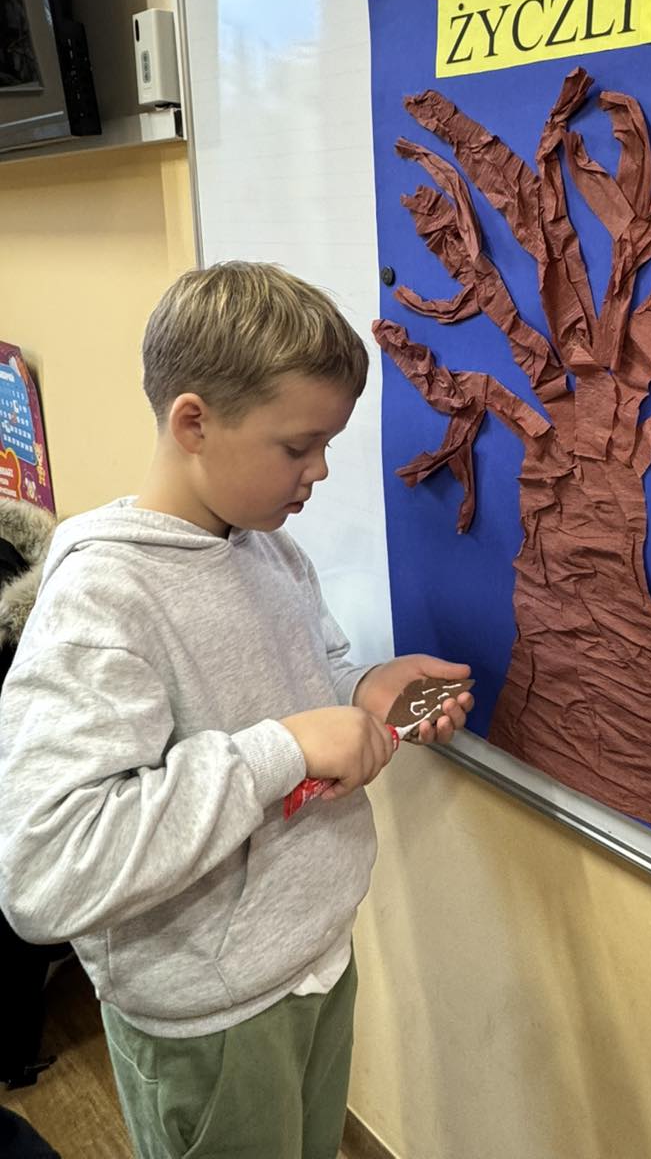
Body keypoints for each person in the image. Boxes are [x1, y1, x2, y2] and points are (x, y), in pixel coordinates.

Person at [0, 262, 473, 1159]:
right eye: (298, 446)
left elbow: (307, 679)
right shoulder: (101, 601)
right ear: (194, 423)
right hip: (209, 1020)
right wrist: (283, 748)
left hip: (312, 960)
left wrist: (361, 689)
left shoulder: (266, 548)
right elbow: (45, 871)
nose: (320, 470)